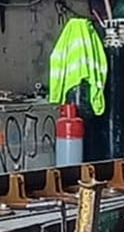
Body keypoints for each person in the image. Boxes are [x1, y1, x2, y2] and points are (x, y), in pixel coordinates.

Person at [47, 15, 109, 157]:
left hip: (72, 99)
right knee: (90, 144)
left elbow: (56, 67)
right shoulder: (91, 43)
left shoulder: (65, 45)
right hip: (87, 104)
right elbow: (101, 68)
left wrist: (56, 95)